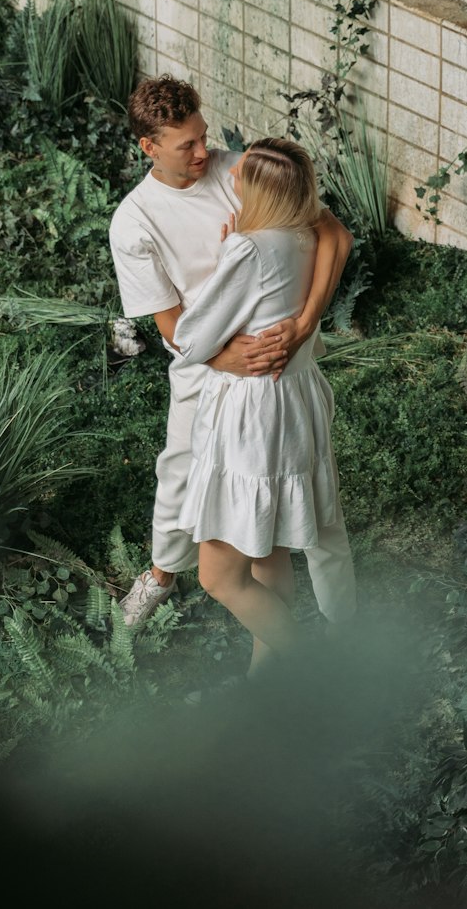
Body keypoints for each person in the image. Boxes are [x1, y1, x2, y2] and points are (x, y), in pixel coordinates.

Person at [108, 75, 355, 628]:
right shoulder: (134, 221)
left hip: (281, 363)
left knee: (304, 481)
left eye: (203, 136)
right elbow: (170, 322)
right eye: (186, 145)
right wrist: (222, 359)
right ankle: (162, 577)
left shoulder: (244, 172)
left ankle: (325, 620)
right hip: (206, 364)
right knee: (179, 470)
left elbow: (334, 236)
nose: (205, 153)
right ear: (149, 148)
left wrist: (304, 322)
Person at [172, 136, 352, 674]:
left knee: (219, 576)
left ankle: (311, 677)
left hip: (254, 414)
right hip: (294, 400)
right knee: (267, 545)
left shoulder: (248, 250)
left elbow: (193, 335)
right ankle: (263, 684)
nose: (230, 178)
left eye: (241, 173)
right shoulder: (305, 235)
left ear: (260, 191)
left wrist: (230, 258)